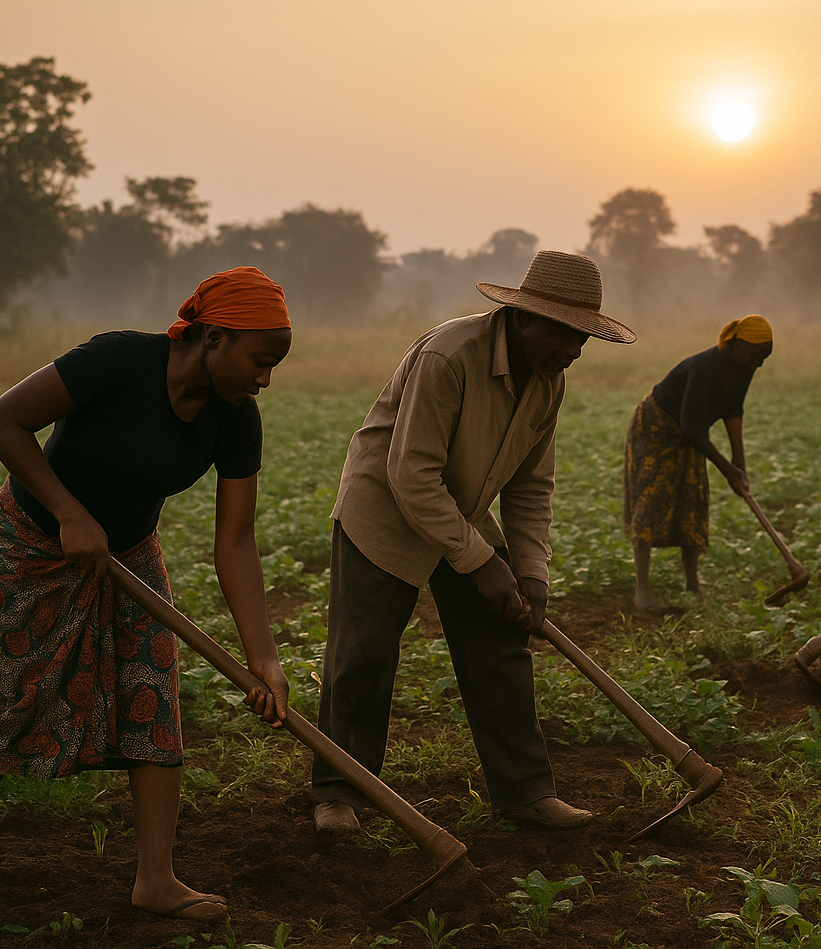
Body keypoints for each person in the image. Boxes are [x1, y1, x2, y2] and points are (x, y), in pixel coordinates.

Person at [0, 267, 294, 936]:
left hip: (128, 553)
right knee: (4, 694)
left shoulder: (235, 419)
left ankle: (156, 879)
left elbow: (236, 542)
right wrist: (69, 513)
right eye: (260, 360)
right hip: (33, 542)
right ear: (213, 337)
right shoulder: (118, 360)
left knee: (150, 690)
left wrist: (263, 657)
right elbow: (3, 420)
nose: (265, 378)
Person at [311, 250, 635, 833]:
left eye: (585, 336)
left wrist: (530, 571)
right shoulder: (450, 356)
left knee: (501, 645)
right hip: (383, 512)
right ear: (526, 318)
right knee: (362, 655)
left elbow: (532, 485)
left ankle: (525, 793)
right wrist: (482, 562)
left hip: (459, 513)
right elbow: (410, 475)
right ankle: (339, 793)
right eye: (568, 333)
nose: (577, 349)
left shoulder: (547, 380)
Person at [624, 315, 776, 612]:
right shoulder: (705, 368)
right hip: (657, 427)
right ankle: (642, 592)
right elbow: (692, 428)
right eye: (755, 355)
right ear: (733, 344)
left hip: (689, 432)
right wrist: (727, 469)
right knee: (651, 501)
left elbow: (733, 409)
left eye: (764, 358)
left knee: (693, 499)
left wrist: (739, 463)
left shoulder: (744, 367)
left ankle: (693, 584)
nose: (758, 364)